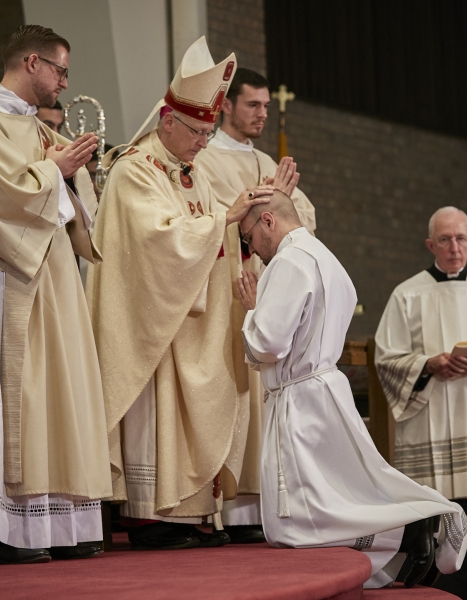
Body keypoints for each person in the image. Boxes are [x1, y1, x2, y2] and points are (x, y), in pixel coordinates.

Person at [88, 37, 283, 550]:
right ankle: (151, 516)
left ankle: (194, 513)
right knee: (158, 416)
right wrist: (226, 217)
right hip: (152, 322)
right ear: (168, 121)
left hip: (191, 316)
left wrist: (238, 229)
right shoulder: (135, 169)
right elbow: (157, 241)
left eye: (209, 131)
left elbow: (211, 231)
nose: (204, 142)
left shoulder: (190, 172)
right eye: (198, 131)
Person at [236, 190, 467, 588]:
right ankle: (408, 534)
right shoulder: (326, 258)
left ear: (268, 221)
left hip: (300, 398)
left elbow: (269, 343)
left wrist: (252, 310)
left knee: (297, 521)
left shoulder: (288, 261)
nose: (252, 250)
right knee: (334, 499)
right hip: (323, 390)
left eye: (249, 237)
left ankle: (407, 533)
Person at [0, 24, 111, 564]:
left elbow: (72, 206)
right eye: (60, 70)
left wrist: (77, 174)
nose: (65, 82)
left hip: (55, 279)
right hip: (8, 278)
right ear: (32, 62)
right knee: (16, 396)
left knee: (60, 394)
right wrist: (55, 171)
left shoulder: (37, 129)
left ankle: (64, 524)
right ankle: (8, 528)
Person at [374, 206, 467, 600]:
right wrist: (429, 364)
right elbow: (386, 358)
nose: (454, 247)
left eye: (461, 238)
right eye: (445, 239)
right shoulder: (407, 294)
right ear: (430, 244)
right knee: (434, 519)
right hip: (430, 425)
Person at [193, 67, 315, 542]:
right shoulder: (204, 159)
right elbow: (208, 219)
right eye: (253, 105)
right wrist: (257, 204)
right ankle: (228, 507)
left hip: (274, 290)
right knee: (234, 392)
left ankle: (265, 504)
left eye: (267, 106)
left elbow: (302, 221)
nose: (263, 113)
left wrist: (280, 196)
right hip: (228, 291)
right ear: (226, 106)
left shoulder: (268, 160)